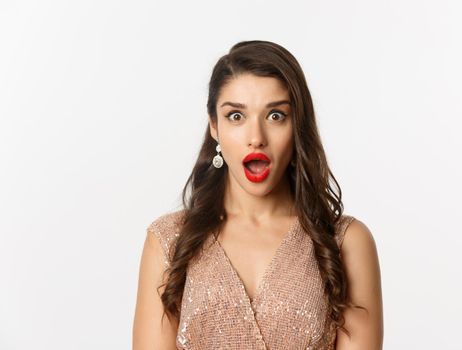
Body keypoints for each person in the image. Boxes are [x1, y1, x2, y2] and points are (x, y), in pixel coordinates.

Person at [133, 40, 383, 349]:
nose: (256, 138)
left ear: (297, 126)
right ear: (214, 126)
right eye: (236, 116)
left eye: (276, 115)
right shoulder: (169, 240)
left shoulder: (345, 241)